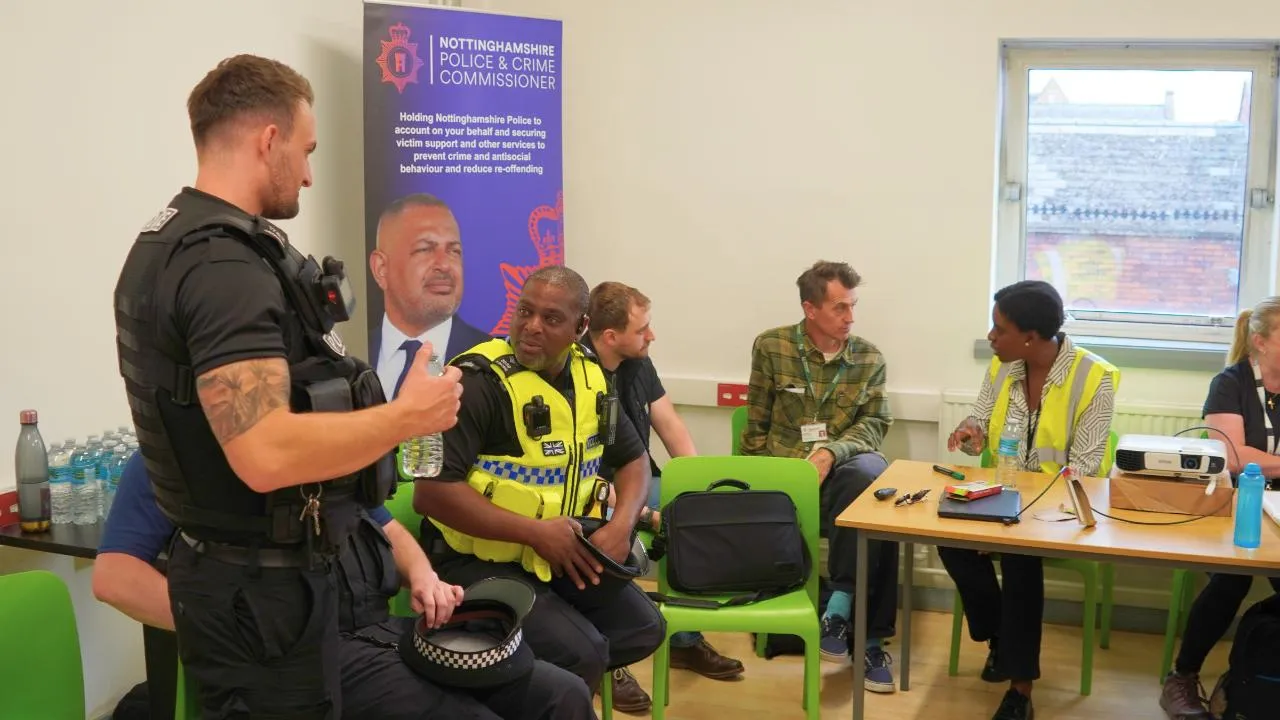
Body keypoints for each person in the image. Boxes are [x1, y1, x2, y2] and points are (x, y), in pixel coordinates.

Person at [111, 55, 464, 717]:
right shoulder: (224, 269)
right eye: (305, 151)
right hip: (257, 601)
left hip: (242, 587)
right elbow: (264, 452)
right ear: (266, 140)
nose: (307, 172)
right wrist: (406, 417)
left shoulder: (172, 242)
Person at [93, 452, 594, 720]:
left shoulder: (325, 448)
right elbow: (114, 578)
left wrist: (423, 577)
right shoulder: (173, 458)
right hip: (295, 658)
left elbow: (389, 529)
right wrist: (228, 633)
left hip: (379, 631)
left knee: (562, 695)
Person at [413, 265, 666, 703]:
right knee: (582, 654)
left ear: (581, 327)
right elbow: (429, 493)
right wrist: (535, 533)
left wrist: (621, 527)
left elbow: (634, 459)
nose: (531, 327)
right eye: (525, 311)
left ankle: (528, 692)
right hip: (472, 561)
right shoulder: (476, 381)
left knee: (643, 628)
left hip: (561, 551)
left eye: (551, 319)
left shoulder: (591, 378)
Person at [943, 280, 1117, 720]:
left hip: (1058, 507)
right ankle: (1001, 638)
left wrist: (1014, 518)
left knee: (1019, 557)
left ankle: (1020, 688)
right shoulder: (1003, 366)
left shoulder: (1094, 378)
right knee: (949, 536)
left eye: (999, 328)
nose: (990, 336)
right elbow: (980, 418)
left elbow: (1087, 466)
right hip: (1001, 497)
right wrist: (969, 431)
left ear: (1031, 336)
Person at [583, 281, 744, 713]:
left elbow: (670, 425)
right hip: (588, 495)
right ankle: (609, 660)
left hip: (638, 483)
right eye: (643, 329)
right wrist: (638, 510)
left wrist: (698, 486)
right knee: (611, 537)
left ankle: (683, 641)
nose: (651, 336)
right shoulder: (575, 372)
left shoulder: (638, 364)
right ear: (610, 337)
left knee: (690, 521)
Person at [740, 260, 897, 692]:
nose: (851, 318)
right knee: (872, 516)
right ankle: (855, 629)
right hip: (787, 488)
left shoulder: (868, 356)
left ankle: (846, 618)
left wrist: (829, 451)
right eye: (840, 308)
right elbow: (756, 426)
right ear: (811, 309)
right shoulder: (772, 347)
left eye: (853, 307)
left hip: (842, 485)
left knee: (872, 486)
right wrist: (751, 494)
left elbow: (875, 426)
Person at [1158, 297, 1280, 720]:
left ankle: (1251, 673)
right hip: (1233, 499)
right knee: (1232, 577)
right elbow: (1232, 455)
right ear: (1260, 342)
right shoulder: (1230, 383)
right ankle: (1182, 676)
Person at [370, 193, 493, 392]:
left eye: (454, 251)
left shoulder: (493, 363)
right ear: (381, 268)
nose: (444, 265)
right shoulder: (345, 353)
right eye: (425, 249)